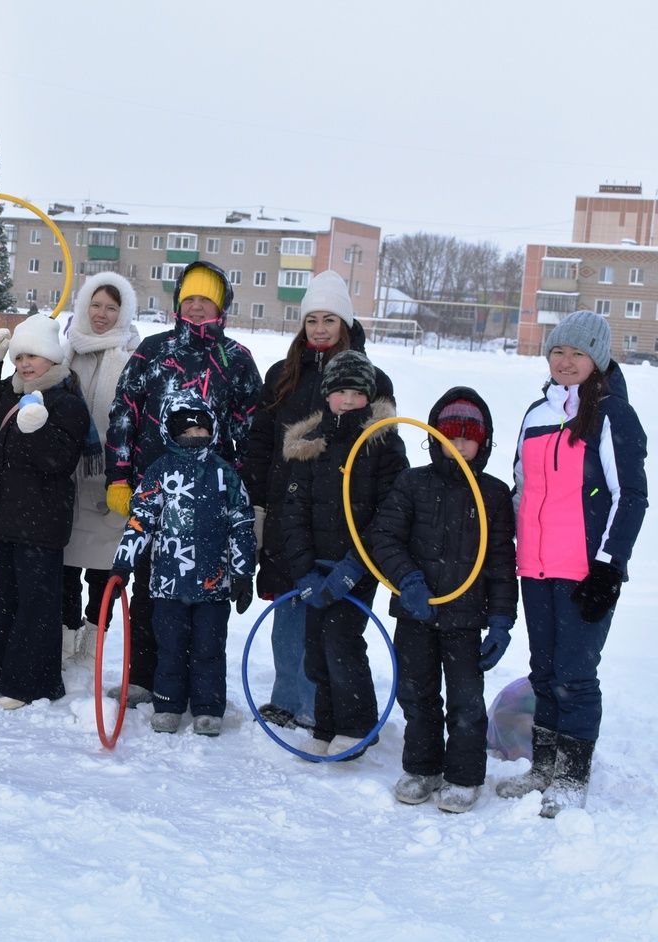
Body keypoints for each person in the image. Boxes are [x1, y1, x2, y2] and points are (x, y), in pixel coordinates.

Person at [497, 311, 647, 817]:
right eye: (558, 351)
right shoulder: (536, 414)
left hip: (586, 572)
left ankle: (570, 778)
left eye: (578, 353)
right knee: (543, 672)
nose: (566, 361)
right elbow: (521, 490)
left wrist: (608, 566)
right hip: (535, 569)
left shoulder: (612, 415)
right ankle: (542, 766)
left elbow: (631, 498)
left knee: (575, 676)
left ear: (597, 360)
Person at [242, 270, 394, 731]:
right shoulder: (283, 375)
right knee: (288, 602)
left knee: (332, 615)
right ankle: (288, 698)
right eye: (312, 320)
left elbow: (382, 449)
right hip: (288, 513)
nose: (321, 328)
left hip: (343, 517)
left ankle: (325, 705)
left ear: (345, 322)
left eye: (330, 318)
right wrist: (258, 503)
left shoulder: (371, 377)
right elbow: (261, 442)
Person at [104, 261, 261, 705]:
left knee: (207, 601)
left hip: (212, 502)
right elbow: (123, 414)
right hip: (155, 494)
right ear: (178, 305)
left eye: (204, 299)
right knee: (150, 589)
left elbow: (250, 431)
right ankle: (143, 676)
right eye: (189, 299)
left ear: (220, 306)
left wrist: (244, 497)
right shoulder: (152, 351)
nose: (195, 307)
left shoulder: (237, 359)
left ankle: (197, 687)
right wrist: (119, 478)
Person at [366, 389, 517, 812]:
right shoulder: (412, 483)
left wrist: (502, 619)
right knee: (417, 695)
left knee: (466, 701)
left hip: (466, 620)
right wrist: (409, 580)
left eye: (469, 435)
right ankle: (422, 767)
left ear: (484, 442)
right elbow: (384, 537)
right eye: (451, 433)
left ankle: (465, 776)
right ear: (433, 436)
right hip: (417, 613)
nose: (460, 443)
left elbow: (502, 560)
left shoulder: (494, 493)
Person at [277, 350, 407, 759]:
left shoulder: (382, 443)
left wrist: (354, 568)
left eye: (356, 392)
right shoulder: (311, 446)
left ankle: (356, 725)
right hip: (316, 567)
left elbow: (391, 512)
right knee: (315, 646)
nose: (347, 400)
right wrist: (303, 572)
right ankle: (327, 722)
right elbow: (293, 513)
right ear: (327, 395)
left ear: (368, 396)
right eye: (339, 392)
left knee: (342, 641)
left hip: (359, 568)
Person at [111, 395, 255, 736]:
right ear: (172, 433)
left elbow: (241, 524)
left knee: (209, 648)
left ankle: (207, 707)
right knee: (170, 646)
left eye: (202, 427)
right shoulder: (160, 471)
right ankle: (168, 702)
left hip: (213, 583)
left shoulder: (224, 474)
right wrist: (123, 564)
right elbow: (141, 519)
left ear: (213, 430)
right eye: (187, 429)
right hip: (169, 584)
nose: (195, 434)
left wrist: (242, 573)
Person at [0, 315, 90, 710]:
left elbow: (58, 461)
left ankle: (29, 683)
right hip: (3, 517)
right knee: (0, 600)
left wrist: (37, 428)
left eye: (33, 356)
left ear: (52, 358)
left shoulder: (67, 402)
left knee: (35, 606)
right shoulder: (12, 391)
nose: (24, 364)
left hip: (41, 522)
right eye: (19, 357)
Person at [60, 272, 140, 662]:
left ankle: (94, 635)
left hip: (111, 479)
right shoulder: (64, 351)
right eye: (95, 305)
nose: (102, 314)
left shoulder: (134, 356)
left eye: (112, 307)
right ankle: (66, 632)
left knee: (104, 568)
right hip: (65, 477)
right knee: (65, 565)